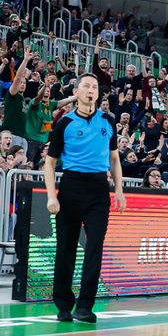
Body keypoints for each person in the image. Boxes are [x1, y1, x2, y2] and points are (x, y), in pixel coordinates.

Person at [45, 73, 126, 323]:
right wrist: (52, 196)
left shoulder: (108, 121)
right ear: (77, 92)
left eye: (94, 87)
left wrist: (120, 190)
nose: (91, 90)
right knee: (66, 249)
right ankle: (63, 305)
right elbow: (49, 163)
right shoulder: (64, 122)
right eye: (86, 86)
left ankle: (85, 306)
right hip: (70, 187)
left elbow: (114, 159)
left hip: (98, 190)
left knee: (94, 248)